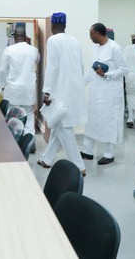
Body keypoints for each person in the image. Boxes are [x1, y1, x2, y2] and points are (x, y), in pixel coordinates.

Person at [37, 12, 87, 176]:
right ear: (65, 25)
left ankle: (79, 167)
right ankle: (46, 159)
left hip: (60, 93)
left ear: (52, 26)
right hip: (73, 91)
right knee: (59, 127)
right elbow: (81, 67)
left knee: (65, 130)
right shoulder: (75, 41)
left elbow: (52, 67)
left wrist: (47, 91)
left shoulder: (53, 40)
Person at [81, 22, 128, 165]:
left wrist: (107, 74)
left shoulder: (115, 48)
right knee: (92, 121)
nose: (90, 37)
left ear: (98, 33)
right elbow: (91, 70)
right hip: (97, 92)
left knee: (109, 122)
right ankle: (87, 151)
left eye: (91, 34)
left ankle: (109, 154)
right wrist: (80, 85)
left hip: (110, 94)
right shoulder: (96, 48)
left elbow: (124, 70)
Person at [0, 24, 40, 138]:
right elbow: (37, 60)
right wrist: (29, 44)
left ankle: (13, 141)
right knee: (29, 115)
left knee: (12, 116)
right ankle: (29, 140)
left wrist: (1, 86)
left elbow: (2, 70)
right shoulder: (34, 50)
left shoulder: (9, 50)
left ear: (14, 37)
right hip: (28, 90)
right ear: (25, 36)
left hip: (13, 90)